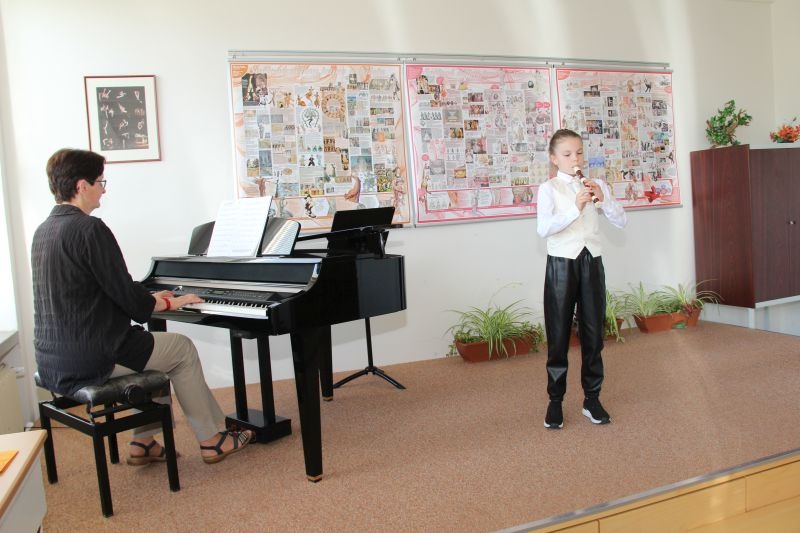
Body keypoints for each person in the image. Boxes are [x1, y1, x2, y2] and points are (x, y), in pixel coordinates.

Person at [32, 148, 254, 464]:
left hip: (54, 357)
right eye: (100, 182)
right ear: (81, 186)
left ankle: (143, 442)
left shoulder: (44, 231)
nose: (103, 190)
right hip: (92, 356)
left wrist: (152, 297)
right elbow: (126, 297)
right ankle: (212, 439)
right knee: (181, 349)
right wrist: (167, 302)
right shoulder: (89, 229)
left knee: (152, 350)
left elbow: (102, 287)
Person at [536, 129, 626, 429]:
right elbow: (544, 229)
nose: (574, 159)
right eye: (567, 154)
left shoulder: (596, 184)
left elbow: (621, 221)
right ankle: (555, 402)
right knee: (558, 335)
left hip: (592, 263)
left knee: (593, 334)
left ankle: (592, 399)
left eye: (578, 153)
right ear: (553, 158)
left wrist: (604, 199)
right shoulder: (548, 189)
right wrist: (575, 208)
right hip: (562, 264)